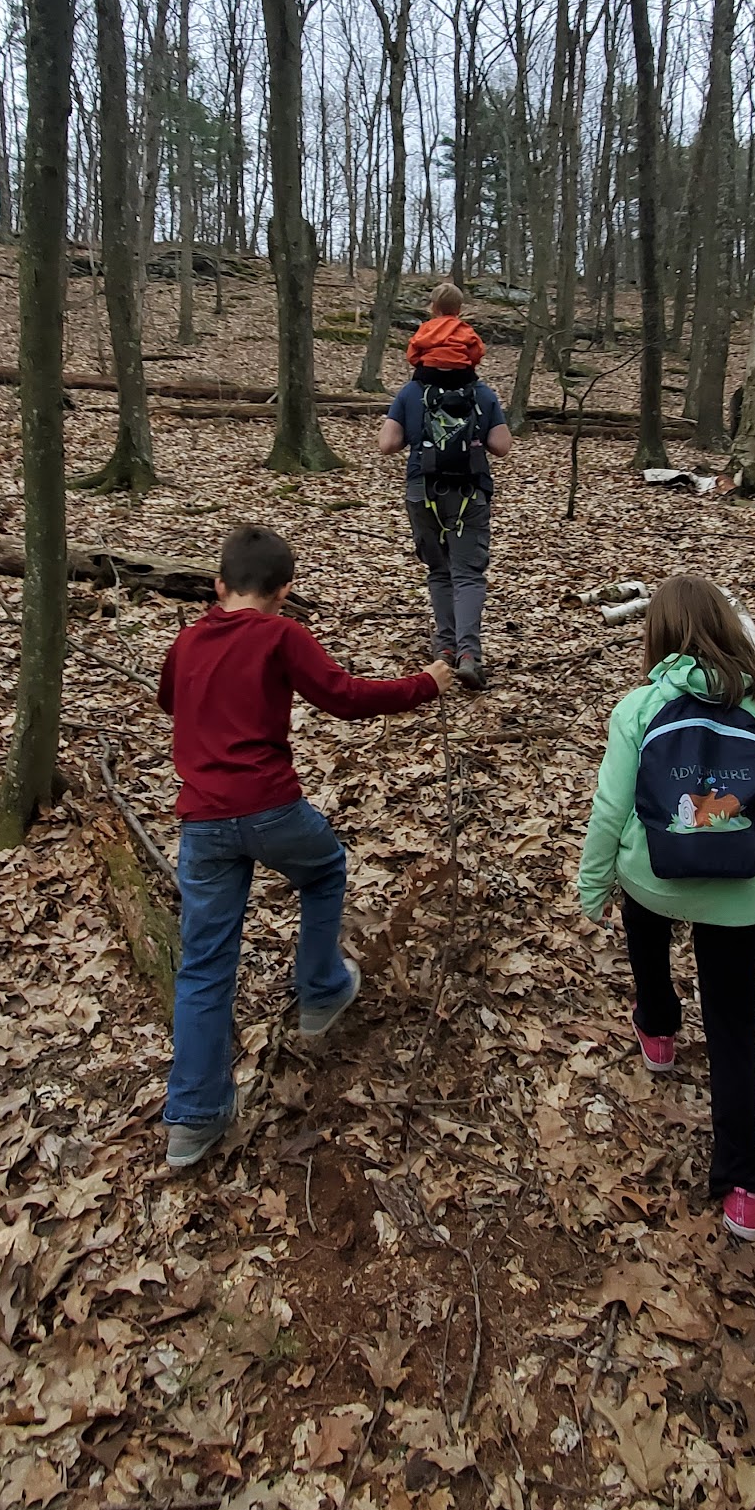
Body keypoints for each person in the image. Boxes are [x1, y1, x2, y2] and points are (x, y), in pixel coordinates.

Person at [157, 525, 455, 1170]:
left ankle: (192, 1117)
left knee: (204, 963)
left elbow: (167, 702)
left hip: (202, 823)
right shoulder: (281, 635)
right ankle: (320, 987)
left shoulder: (185, 642)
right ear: (284, 591)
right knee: (324, 869)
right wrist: (426, 682)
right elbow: (344, 697)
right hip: (268, 808)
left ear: (218, 584)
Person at [576, 574, 755, 1241]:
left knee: (646, 924)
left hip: (654, 871)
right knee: (733, 1024)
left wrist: (593, 883)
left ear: (657, 634)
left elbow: (611, 809)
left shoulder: (637, 707)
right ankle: (744, 1182)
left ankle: (659, 1027)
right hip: (736, 886)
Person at [379, 295, 511, 693]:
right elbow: (501, 446)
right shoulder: (482, 394)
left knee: (439, 570)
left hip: (423, 489)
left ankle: (444, 651)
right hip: (470, 492)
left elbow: (387, 444)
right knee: (468, 573)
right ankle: (470, 654)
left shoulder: (410, 392)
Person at [406, 281, 487, 374]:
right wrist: (470, 365)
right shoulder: (464, 328)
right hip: (460, 372)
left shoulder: (426, 327)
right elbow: (477, 352)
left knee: (409, 389)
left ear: (433, 308)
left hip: (429, 371)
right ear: (459, 309)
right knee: (482, 389)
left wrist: (419, 364)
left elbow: (412, 353)